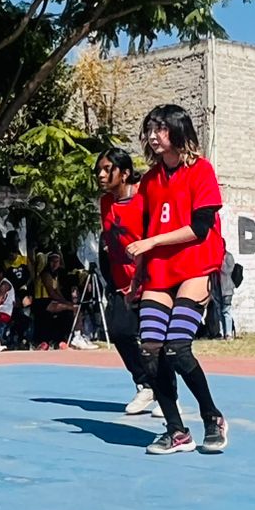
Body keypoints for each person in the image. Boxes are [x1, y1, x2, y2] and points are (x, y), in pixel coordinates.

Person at [126, 104, 230, 455]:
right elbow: (145, 231)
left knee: (178, 348)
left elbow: (200, 228)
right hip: (159, 271)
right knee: (151, 350)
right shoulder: (150, 180)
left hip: (195, 267)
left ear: (178, 131)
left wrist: (152, 242)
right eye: (150, 129)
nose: (153, 136)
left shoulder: (201, 170)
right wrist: (136, 279)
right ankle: (176, 430)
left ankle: (212, 417)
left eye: (160, 128)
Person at [95, 148, 154, 415]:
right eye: (99, 170)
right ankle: (146, 385)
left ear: (125, 173)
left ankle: (169, 394)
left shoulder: (144, 198)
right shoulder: (105, 203)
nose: (101, 174)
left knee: (154, 342)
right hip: (120, 282)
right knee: (120, 332)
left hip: (148, 281)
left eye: (108, 169)